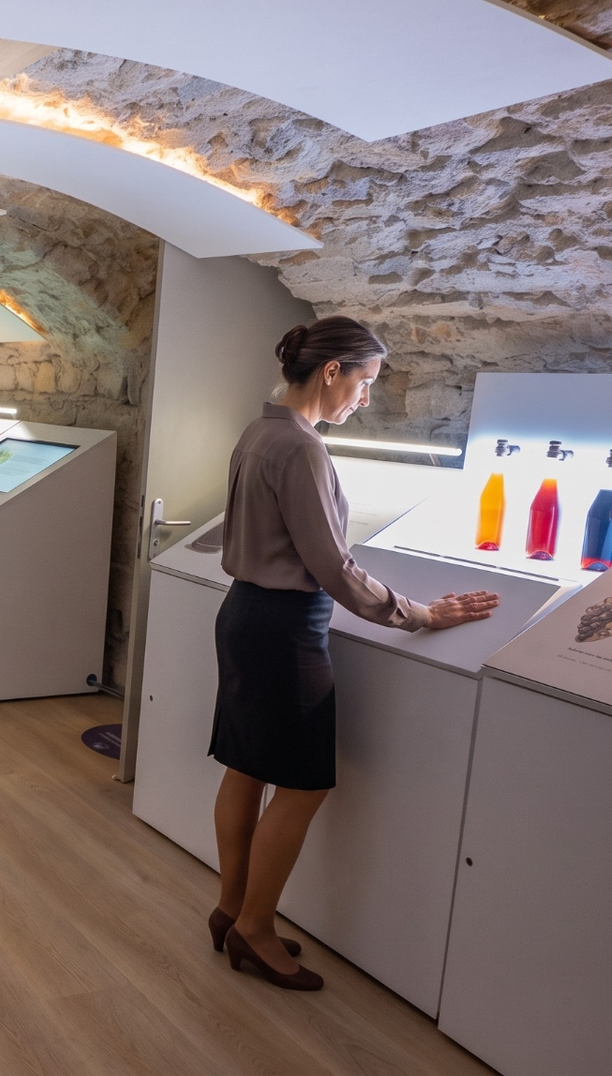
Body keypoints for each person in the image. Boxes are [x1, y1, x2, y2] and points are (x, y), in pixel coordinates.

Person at [208, 316, 499, 991]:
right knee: (304, 783)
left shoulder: (261, 430)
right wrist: (418, 614)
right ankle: (254, 929)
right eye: (364, 383)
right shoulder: (303, 448)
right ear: (331, 371)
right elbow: (333, 566)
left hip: (244, 616)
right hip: (284, 629)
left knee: (245, 766)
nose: (365, 399)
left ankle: (231, 907)